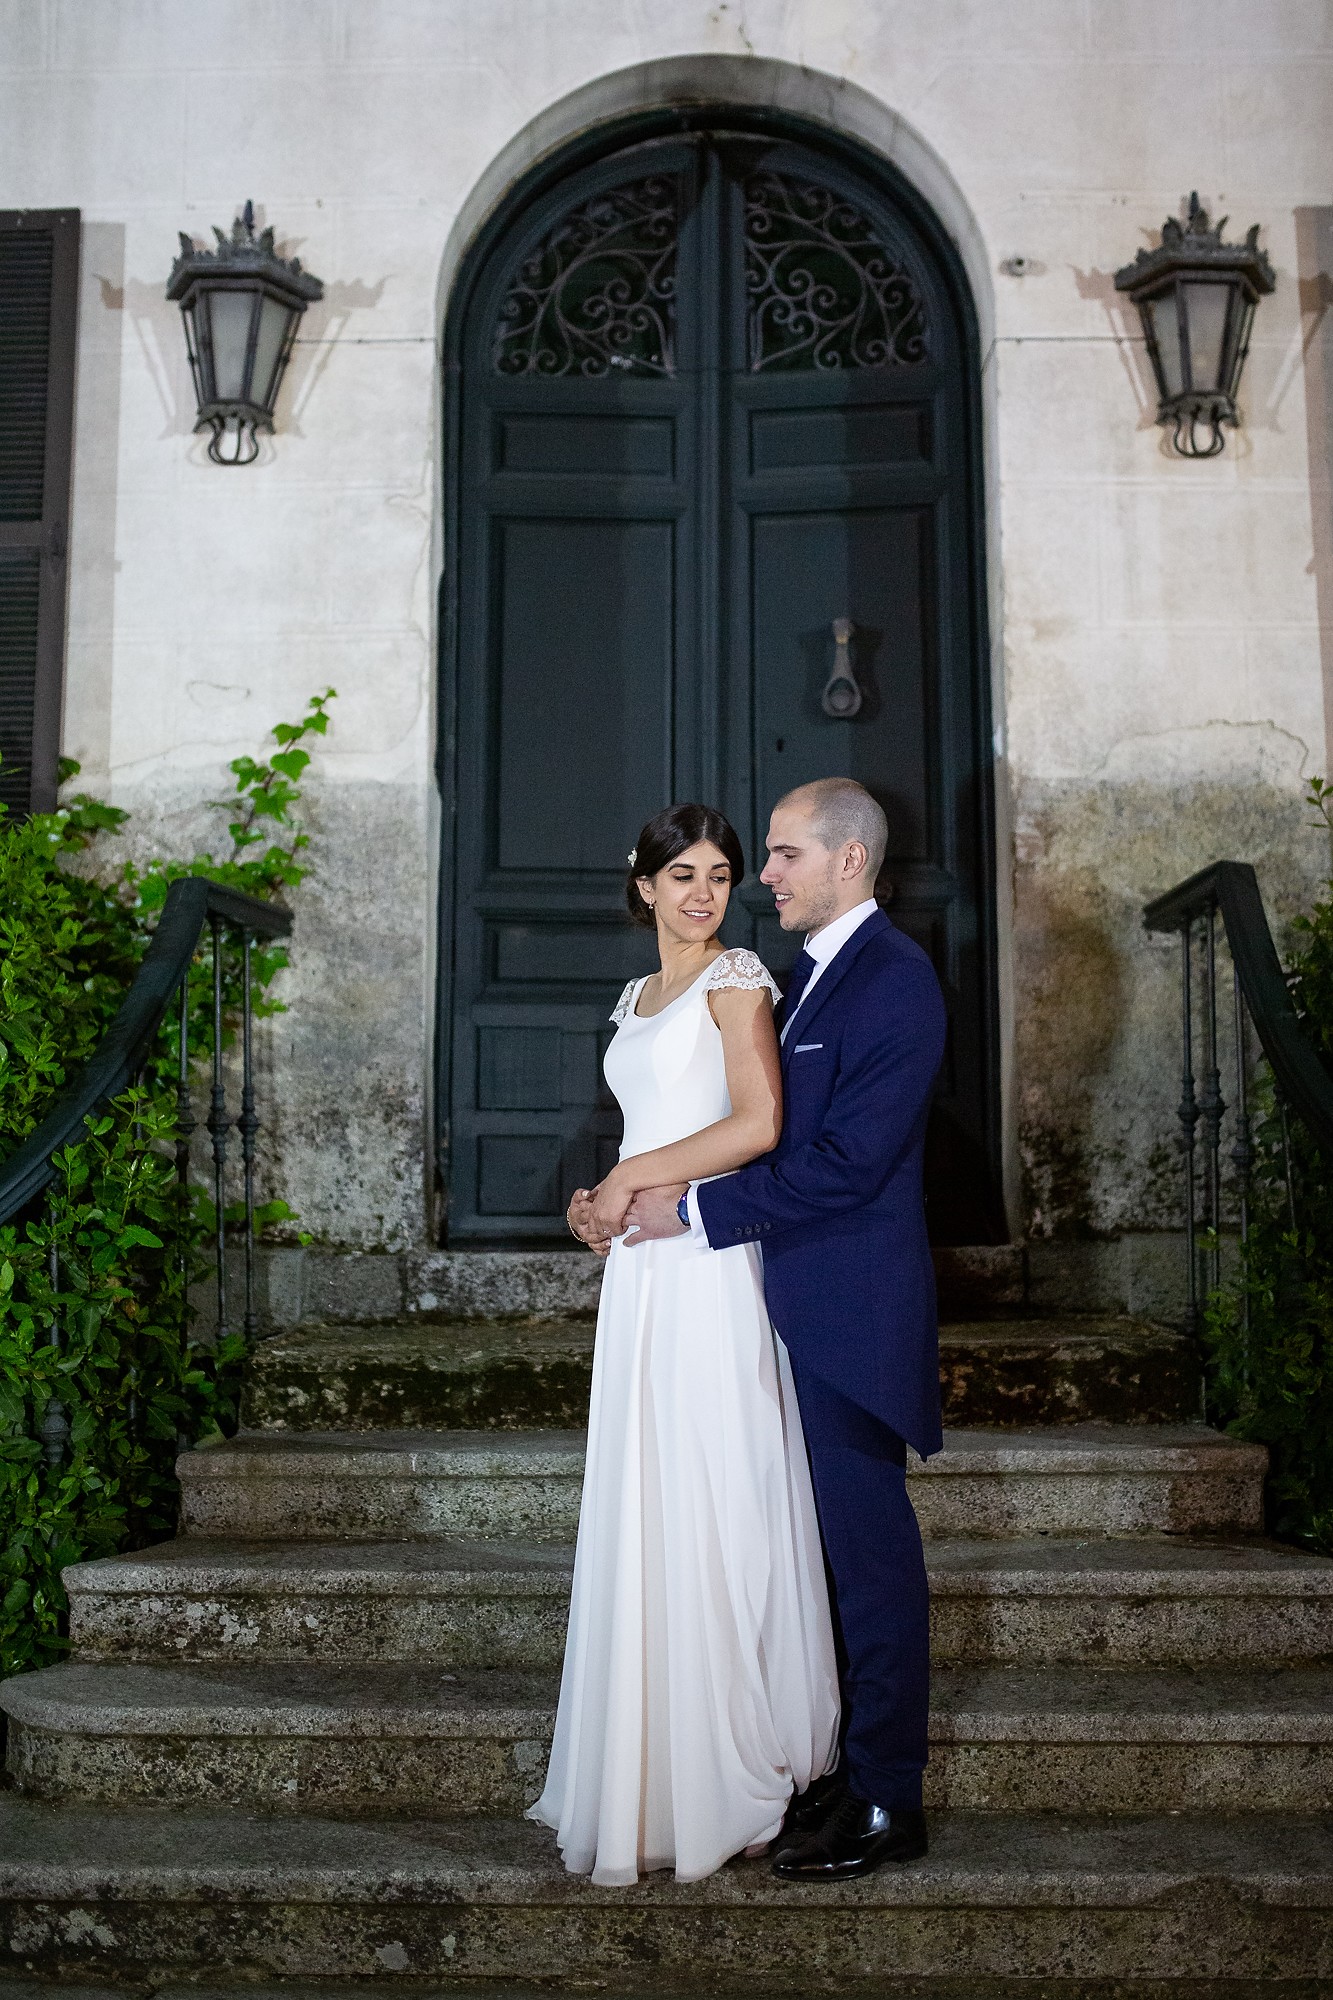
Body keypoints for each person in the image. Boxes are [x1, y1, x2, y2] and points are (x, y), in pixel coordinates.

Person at [608, 778, 947, 1881]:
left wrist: (691, 1210)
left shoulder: (893, 980)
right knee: (810, 1553)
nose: (764, 875)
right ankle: (837, 1763)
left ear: (847, 859)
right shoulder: (801, 977)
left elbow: (846, 1163)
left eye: (784, 855)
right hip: (778, 1298)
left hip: (849, 1311)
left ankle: (892, 1794)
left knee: (869, 1551)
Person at [528, 802, 840, 1886]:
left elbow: (757, 1121)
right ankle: (651, 1767)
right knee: (648, 1498)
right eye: (681, 874)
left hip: (709, 1269)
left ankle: (733, 1762)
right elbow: (646, 1131)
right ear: (644, 884)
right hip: (644, 1270)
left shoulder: (737, 976)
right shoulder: (636, 995)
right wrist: (598, 1201)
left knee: (714, 1490)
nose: (702, 892)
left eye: (718, 874)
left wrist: (633, 1181)